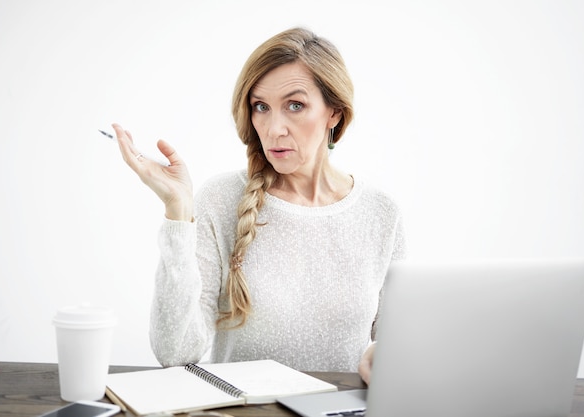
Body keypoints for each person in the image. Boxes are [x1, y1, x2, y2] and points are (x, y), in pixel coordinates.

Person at [112, 27, 405, 384]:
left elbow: (398, 344)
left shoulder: (380, 214)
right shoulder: (221, 200)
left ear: (335, 114)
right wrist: (178, 212)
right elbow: (175, 352)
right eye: (261, 107)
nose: (274, 128)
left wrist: (387, 352)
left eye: (295, 106)